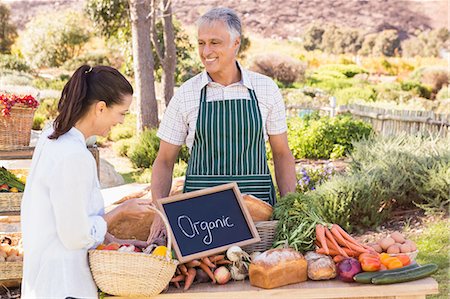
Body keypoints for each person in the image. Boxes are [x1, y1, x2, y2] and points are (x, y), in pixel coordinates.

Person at [20, 65, 152, 299]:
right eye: (121, 113)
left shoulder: (53, 137)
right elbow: (74, 236)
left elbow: (68, 216)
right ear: (101, 107)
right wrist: (120, 213)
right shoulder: (74, 156)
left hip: (45, 282)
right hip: (64, 286)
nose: (121, 122)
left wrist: (110, 238)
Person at [151, 7, 296, 206]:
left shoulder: (265, 89)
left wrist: (290, 207)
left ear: (236, 43)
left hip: (258, 210)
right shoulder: (186, 93)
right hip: (202, 218)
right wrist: (160, 210)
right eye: (201, 43)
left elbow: (281, 154)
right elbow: (164, 161)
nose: (206, 51)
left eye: (214, 43)